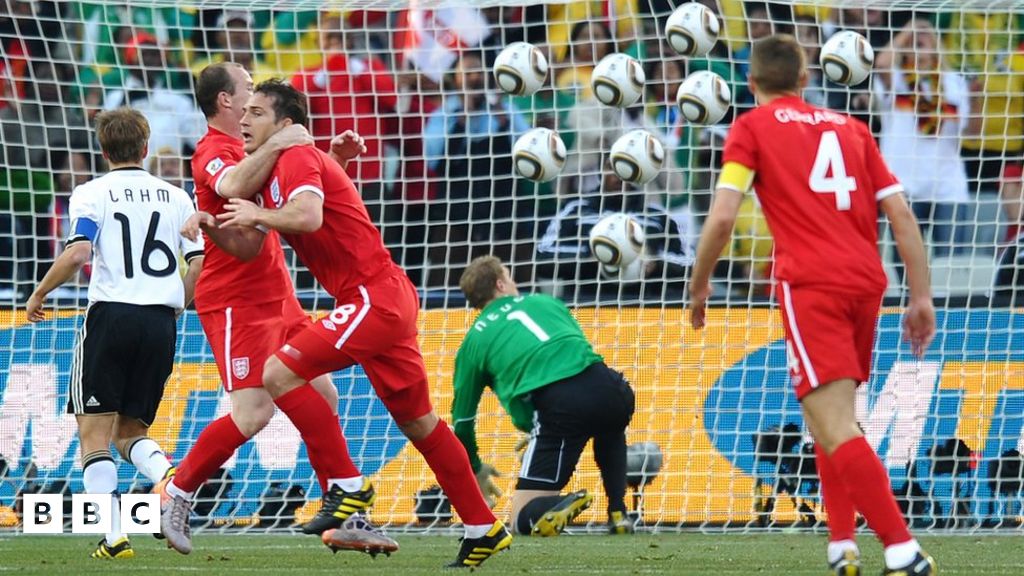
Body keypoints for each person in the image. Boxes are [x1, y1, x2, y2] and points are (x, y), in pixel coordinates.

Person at [214, 80, 510, 568]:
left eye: (257, 112)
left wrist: (260, 208)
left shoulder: (294, 157)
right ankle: (483, 527)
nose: (245, 120)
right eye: (243, 111)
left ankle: (347, 484)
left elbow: (307, 217)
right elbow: (319, 210)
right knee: (420, 423)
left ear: (284, 124)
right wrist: (336, 165)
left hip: (373, 297)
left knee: (277, 374)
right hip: (383, 295)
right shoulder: (291, 159)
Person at [687, 35, 937, 576]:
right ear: (805, 80)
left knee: (835, 424)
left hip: (811, 285)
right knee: (831, 418)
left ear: (751, 86)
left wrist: (699, 283)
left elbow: (724, 217)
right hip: (868, 283)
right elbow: (901, 216)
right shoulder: (853, 128)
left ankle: (902, 548)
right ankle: (841, 543)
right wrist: (920, 296)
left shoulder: (750, 127)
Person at [155, 62, 391, 556]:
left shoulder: (256, 149)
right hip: (235, 302)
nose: (254, 97)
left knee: (324, 395)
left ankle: (345, 512)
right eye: (248, 90)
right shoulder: (214, 152)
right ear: (226, 101)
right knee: (253, 412)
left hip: (277, 295)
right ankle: (177, 492)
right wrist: (283, 142)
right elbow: (235, 210)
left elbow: (289, 204)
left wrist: (329, 160)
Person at [25, 108, 204, 559]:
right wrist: (176, 306)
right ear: (145, 149)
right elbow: (202, 261)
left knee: (94, 435)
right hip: (160, 322)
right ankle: (166, 477)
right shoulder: (176, 197)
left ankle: (113, 534)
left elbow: (79, 252)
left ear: (103, 151)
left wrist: (39, 292)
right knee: (131, 431)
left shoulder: (91, 193)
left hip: (111, 316)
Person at [453, 255, 636, 536]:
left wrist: (475, 467)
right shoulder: (545, 302)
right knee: (609, 426)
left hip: (561, 407)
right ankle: (618, 511)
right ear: (500, 284)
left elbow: (463, 419)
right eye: (510, 276)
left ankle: (557, 504)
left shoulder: (473, 342)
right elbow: (575, 353)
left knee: (520, 520)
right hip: (611, 386)